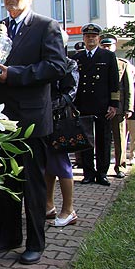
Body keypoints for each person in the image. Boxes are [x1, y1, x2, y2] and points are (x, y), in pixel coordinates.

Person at [0, 0, 66, 265]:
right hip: (1, 118)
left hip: (32, 120)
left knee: (32, 185)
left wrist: (11, 74)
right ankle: (8, 236)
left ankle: (35, 243)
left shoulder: (45, 26)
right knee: (4, 181)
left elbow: (56, 67)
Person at [73, 23, 119, 186]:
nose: (90, 39)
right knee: (85, 141)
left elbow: (114, 82)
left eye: (93, 36)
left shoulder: (107, 57)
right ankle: (88, 173)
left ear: (98, 38)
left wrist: (114, 104)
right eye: (87, 36)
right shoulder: (77, 58)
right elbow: (74, 83)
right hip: (83, 105)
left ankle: (102, 173)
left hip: (102, 105)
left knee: (103, 140)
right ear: (83, 38)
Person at [45, 32, 79, 227]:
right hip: (44, 119)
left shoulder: (69, 64)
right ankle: (48, 205)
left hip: (60, 119)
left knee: (61, 163)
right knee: (48, 163)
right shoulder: (45, 63)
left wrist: (49, 105)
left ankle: (69, 210)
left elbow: (71, 92)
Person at [99, 34, 134, 178]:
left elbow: (128, 87)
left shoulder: (123, 64)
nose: (107, 48)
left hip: (118, 109)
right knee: (102, 139)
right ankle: (101, 168)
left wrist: (128, 107)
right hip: (101, 107)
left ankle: (120, 166)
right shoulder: (98, 61)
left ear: (114, 46)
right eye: (104, 45)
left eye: (109, 45)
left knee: (119, 138)